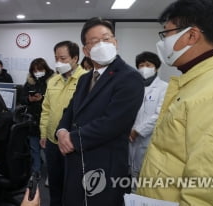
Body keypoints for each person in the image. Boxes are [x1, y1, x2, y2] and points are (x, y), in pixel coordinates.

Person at [137, 0, 213, 204]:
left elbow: (208, 190)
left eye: (166, 33)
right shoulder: (194, 82)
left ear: (191, 35)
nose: (162, 41)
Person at [55, 17, 144, 206]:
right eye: (95, 41)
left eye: (107, 38)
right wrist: (61, 131)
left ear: (116, 42)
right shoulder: (84, 79)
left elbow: (113, 123)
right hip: (75, 160)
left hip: (105, 164)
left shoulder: (129, 77)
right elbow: (70, 110)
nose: (102, 44)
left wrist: (71, 139)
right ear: (86, 50)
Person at [39, 40, 87, 206]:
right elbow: (46, 110)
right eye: (56, 58)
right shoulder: (53, 81)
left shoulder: (86, 80)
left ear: (75, 58)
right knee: (54, 183)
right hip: (52, 141)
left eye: (63, 58)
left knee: (73, 187)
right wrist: (44, 133)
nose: (59, 62)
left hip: (72, 144)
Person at [128, 51, 167, 190]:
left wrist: (138, 131)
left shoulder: (164, 88)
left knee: (145, 177)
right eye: (141, 65)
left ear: (156, 67)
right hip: (129, 138)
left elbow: (159, 114)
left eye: (148, 64)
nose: (144, 67)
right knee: (129, 175)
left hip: (148, 139)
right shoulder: (132, 86)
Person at [20, 58, 54, 173]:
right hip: (32, 119)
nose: (37, 72)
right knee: (34, 148)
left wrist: (43, 98)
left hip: (47, 119)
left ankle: (51, 173)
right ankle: (36, 171)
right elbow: (22, 98)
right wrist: (29, 99)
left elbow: (55, 100)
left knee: (47, 149)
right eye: (34, 70)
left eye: (39, 69)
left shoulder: (53, 81)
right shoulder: (30, 81)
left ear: (45, 69)